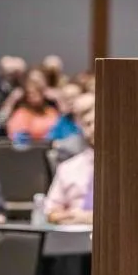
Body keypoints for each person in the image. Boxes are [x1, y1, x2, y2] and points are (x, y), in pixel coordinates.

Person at [45, 94, 95, 225]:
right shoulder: (67, 168)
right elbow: (51, 214)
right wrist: (77, 216)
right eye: (88, 124)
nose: (93, 129)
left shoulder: (126, 168)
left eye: (97, 122)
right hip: (74, 231)